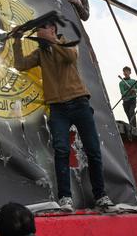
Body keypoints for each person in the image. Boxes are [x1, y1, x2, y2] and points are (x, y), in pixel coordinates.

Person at [12, 21, 115, 213]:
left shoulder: (66, 43)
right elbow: (20, 65)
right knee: (61, 151)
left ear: (52, 29)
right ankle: (65, 197)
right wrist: (17, 41)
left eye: (42, 29)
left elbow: (70, 57)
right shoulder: (40, 53)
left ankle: (101, 195)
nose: (38, 33)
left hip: (79, 102)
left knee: (92, 150)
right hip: (57, 107)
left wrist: (52, 42)